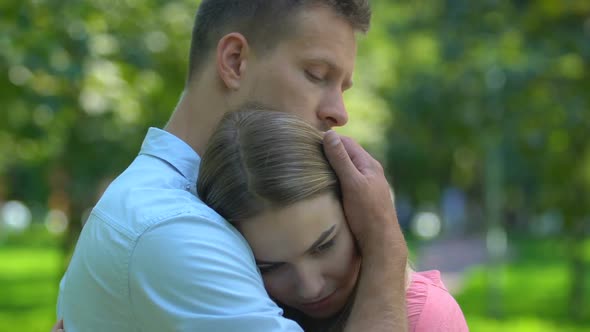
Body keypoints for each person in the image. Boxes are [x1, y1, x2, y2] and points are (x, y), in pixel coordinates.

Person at [55, 1, 409, 331]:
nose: (340, 113)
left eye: (343, 88)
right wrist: (385, 241)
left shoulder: (182, 208)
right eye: (317, 75)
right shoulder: (173, 231)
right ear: (235, 60)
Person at [196, 108, 469, 332]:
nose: (310, 288)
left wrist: (385, 241)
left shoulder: (426, 318)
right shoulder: (236, 314)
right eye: (269, 267)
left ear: (358, 211)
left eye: (324, 246)